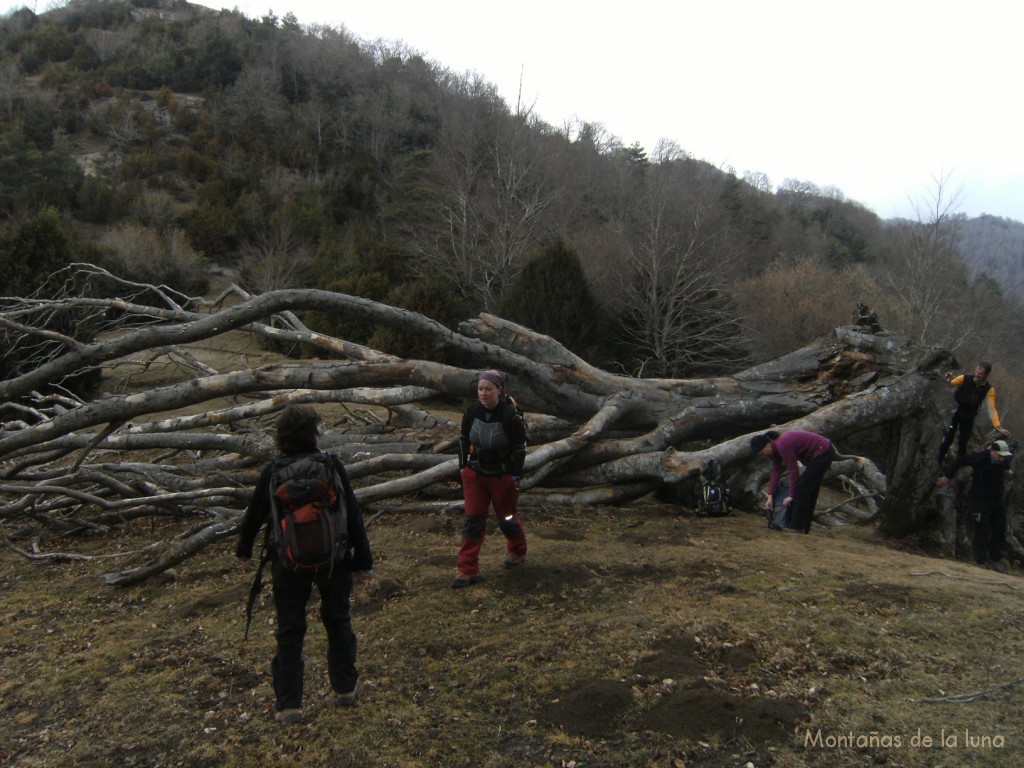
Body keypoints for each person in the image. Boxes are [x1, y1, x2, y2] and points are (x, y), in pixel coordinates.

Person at [236, 404, 374, 724]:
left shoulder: (273, 471)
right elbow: (352, 515)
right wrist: (363, 562)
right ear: (313, 433)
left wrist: (243, 549)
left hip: (288, 563)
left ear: (282, 436)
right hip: (334, 559)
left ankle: (289, 705)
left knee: (289, 630)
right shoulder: (331, 465)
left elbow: (254, 514)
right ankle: (345, 689)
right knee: (338, 620)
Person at [452, 370, 528, 587]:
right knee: (473, 521)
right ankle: (466, 569)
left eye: (488, 389)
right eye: (480, 389)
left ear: (499, 390)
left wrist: (516, 474)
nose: (483, 394)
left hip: (502, 476)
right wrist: (463, 467)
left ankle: (517, 551)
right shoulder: (472, 412)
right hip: (475, 474)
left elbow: (520, 447)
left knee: (506, 518)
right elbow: (463, 440)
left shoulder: (509, 416)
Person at [937, 439, 1014, 571]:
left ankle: (995, 559)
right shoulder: (980, 458)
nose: (1001, 459)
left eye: (1003, 457)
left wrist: (1008, 471)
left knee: (1000, 529)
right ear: (992, 452)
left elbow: (1006, 467)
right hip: (980, 500)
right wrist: (947, 477)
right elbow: (959, 461)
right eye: (999, 456)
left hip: (996, 500)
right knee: (981, 529)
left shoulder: (1002, 461)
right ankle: (980, 561)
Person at [750, 429, 838, 534]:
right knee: (810, 490)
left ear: (767, 445)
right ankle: (805, 527)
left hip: (823, 452)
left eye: (761, 453)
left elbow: (793, 471)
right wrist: (770, 496)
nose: (763, 455)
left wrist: (791, 495)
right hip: (818, 454)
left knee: (801, 488)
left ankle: (797, 527)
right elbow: (775, 472)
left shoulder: (782, 444)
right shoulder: (775, 452)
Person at [937, 362, 1010, 464]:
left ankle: (956, 468)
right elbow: (950, 382)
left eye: (980, 373)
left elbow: (992, 409)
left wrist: (998, 426)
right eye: (976, 372)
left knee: (963, 444)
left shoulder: (989, 389)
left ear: (986, 375)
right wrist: (947, 377)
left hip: (968, 417)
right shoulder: (964, 378)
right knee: (947, 440)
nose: (977, 375)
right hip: (955, 413)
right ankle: (938, 462)